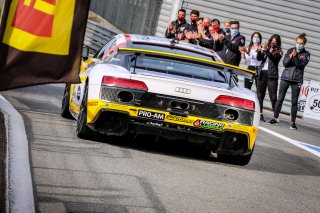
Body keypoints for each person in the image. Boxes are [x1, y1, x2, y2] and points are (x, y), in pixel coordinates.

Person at [269, 33, 310, 129]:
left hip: (297, 80)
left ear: (304, 44)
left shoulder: (306, 54)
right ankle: (275, 118)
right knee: (280, 99)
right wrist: (291, 56)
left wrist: (295, 57)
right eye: (297, 42)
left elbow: (301, 65)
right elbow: (285, 63)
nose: (298, 44)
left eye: (301, 43)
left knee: (294, 101)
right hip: (285, 77)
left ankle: (293, 122)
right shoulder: (290, 50)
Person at [256, 34, 283, 122]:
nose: (273, 42)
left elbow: (273, 58)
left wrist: (266, 50)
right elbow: (259, 59)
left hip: (272, 75)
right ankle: (260, 114)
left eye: (275, 41)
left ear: (278, 43)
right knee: (260, 95)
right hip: (262, 72)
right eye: (272, 41)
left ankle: (275, 117)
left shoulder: (279, 51)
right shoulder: (266, 48)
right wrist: (260, 51)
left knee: (273, 97)